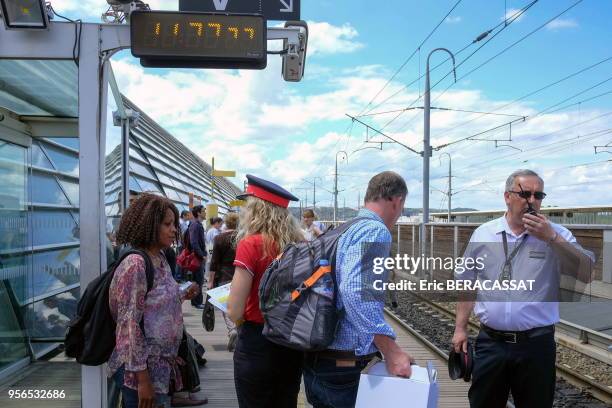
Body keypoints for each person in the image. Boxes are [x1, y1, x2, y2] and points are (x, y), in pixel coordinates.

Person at [452, 169, 594, 408]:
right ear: (507, 196)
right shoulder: (484, 233)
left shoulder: (557, 234)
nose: (532, 201)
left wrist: (550, 238)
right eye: (525, 193)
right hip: (491, 342)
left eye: (539, 195)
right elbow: (467, 281)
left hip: (535, 345)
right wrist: (460, 328)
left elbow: (586, 272)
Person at [303, 171, 414, 408]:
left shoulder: (344, 228)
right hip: (343, 368)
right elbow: (355, 291)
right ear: (397, 201)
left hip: (319, 359)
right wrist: (390, 349)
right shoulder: (374, 230)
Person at [108, 193, 200, 408]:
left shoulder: (159, 258)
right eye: (167, 224)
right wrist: (143, 380)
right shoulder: (136, 264)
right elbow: (128, 326)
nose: (174, 230)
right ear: (149, 226)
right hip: (139, 371)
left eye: (174, 224)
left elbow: (155, 301)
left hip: (159, 367)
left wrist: (182, 293)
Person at [227, 174, 305, 408]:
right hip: (292, 343)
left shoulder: (250, 245)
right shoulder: (301, 245)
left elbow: (234, 310)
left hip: (256, 342)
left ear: (257, 209)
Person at [208, 212, 240, 351]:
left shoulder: (219, 238)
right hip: (240, 274)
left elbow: (214, 262)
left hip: (224, 276)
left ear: (226, 223)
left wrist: (210, 281)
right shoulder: (243, 238)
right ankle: (238, 329)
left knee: (226, 306)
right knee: (240, 304)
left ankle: (232, 329)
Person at [188, 205, 207, 309]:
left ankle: (196, 301)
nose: (205, 213)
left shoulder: (197, 224)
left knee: (198, 279)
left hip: (198, 257)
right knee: (198, 279)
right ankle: (197, 302)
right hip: (197, 258)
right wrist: (202, 255)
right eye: (204, 211)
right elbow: (194, 242)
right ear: (199, 213)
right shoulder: (195, 225)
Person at [204, 217, 223, 284]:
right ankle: (209, 277)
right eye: (220, 224)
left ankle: (207, 276)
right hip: (212, 248)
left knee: (208, 263)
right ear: (216, 223)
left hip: (209, 247)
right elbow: (217, 240)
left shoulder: (211, 230)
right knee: (211, 262)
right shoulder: (214, 230)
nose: (221, 226)